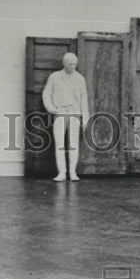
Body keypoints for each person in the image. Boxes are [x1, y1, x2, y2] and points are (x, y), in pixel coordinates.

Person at [42, 52, 90, 182]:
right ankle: (61, 172)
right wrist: (51, 108)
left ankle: (72, 172)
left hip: (74, 113)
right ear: (64, 63)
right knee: (59, 144)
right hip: (60, 113)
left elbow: (84, 100)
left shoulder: (80, 79)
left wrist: (85, 118)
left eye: (75, 64)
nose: (73, 66)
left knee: (73, 144)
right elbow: (46, 94)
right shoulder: (55, 77)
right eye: (70, 64)